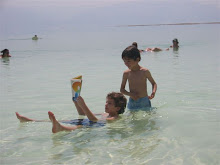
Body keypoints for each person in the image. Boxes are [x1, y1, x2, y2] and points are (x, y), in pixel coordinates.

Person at [16, 92, 127, 133]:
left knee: (78, 128)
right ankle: (33, 120)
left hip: (94, 126)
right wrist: (77, 104)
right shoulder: (104, 113)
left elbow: (94, 120)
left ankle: (61, 128)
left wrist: (83, 104)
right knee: (67, 120)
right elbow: (84, 115)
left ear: (117, 108)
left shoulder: (115, 118)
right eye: (106, 102)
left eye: (109, 104)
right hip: (88, 121)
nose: (106, 105)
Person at [120, 45, 157, 111]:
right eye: (124, 61)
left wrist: (153, 92)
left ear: (137, 59)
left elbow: (153, 83)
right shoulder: (126, 73)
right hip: (132, 101)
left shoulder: (144, 71)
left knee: (147, 119)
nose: (126, 63)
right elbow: (122, 90)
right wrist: (130, 94)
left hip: (144, 101)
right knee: (132, 120)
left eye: (128, 61)